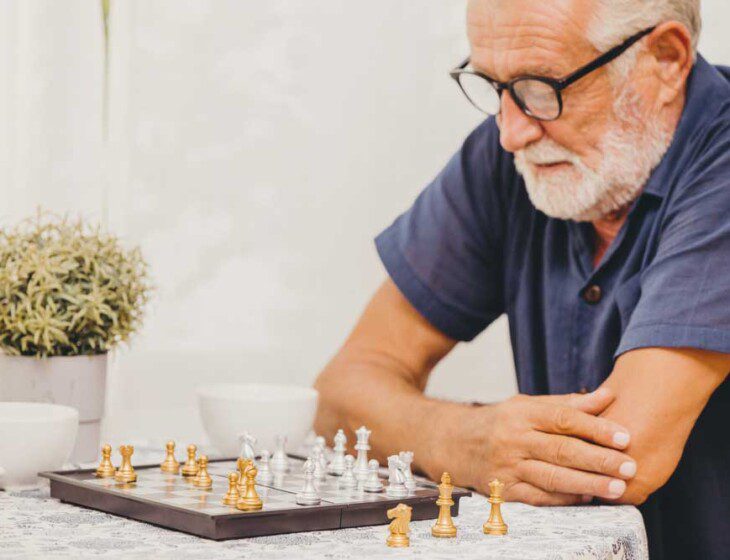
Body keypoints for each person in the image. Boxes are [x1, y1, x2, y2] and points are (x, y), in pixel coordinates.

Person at [313, 1, 730, 558]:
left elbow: (625, 458)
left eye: (541, 87)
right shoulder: (516, 154)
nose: (510, 132)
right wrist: (464, 440)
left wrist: (424, 430)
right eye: (492, 85)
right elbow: (339, 396)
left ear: (665, 58)